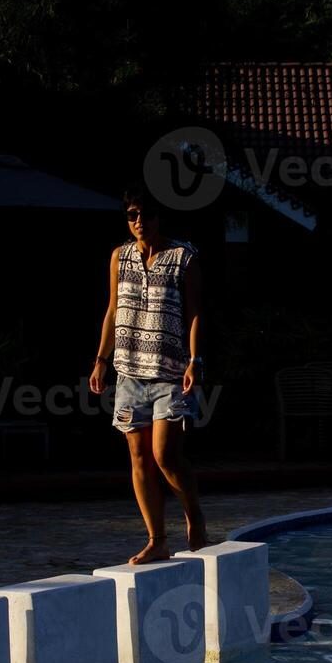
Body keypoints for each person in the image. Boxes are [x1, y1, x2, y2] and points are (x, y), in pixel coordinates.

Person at [90, 188, 209, 564]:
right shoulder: (119, 257)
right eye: (132, 214)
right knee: (138, 457)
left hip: (170, 373)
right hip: (128, 373)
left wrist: (195, 360)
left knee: (165, 456)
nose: (139, 220)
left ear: (159, 217)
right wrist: (100, 360)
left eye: (146, 213)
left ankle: (194, 515)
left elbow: (194, 312)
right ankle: (157, 539)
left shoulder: (182, 256)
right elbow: (112, 309)